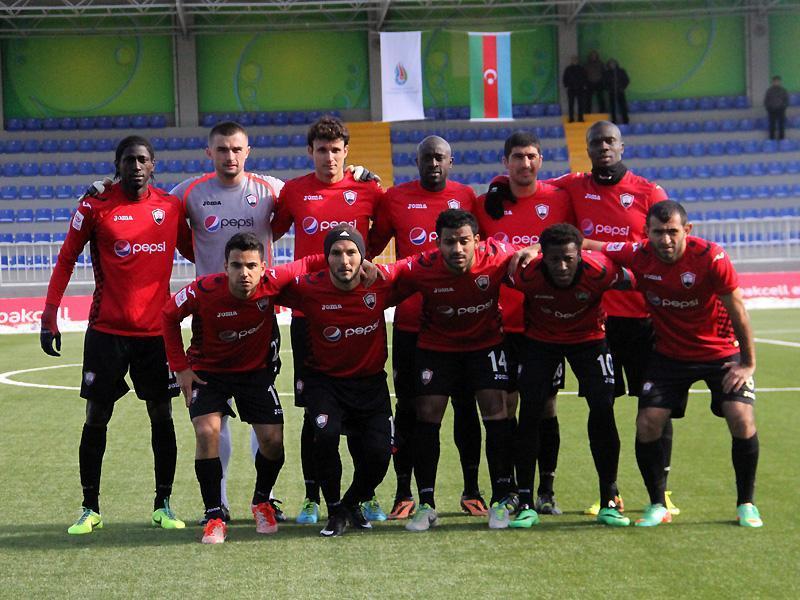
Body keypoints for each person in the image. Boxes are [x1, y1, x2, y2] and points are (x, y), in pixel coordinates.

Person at [40, 136, 194, 535]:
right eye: (129, 160)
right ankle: (89, 507)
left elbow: (199, 250)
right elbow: (66, 258)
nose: (136, 166)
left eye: (142, 159)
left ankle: (163, 504)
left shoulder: (170, 207)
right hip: (106, 331)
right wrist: (49, 314)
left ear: (153, 165)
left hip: (156, 333)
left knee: (162, 414)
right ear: (118, 165)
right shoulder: (94, 206)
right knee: (97, 415)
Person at [596, 200, 762, 528]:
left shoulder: (711, 258)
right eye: (658, 232)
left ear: (687, 230)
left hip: (720, 353)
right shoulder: (638, 254)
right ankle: (657, 504)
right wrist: (536, 248)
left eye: (673, 231)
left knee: (741, 418)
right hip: (669, 355)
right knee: (648, 422)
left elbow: (738, 310)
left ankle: (746, 503)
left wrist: (747, 363)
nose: (666, 239)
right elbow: (591, 245)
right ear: (646, 233)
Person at [161, 233, 329, 543]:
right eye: (237, 265)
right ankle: (214, 515)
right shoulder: (202, 290)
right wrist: (180, 367)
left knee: (273, 441)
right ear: (225, 267)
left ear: (264, 267)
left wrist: (359, 261)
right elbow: (168, 315)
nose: (244, 273)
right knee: (207, 432)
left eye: (251, 265)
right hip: (208, 373)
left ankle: (261, 501)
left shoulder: (273, 282)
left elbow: (310, 262)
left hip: (254, 374)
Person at [549, 120, 679, 517]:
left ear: (621, 147)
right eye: (596, 142)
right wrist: (500, 184)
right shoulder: (574, 185)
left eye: (610, 141)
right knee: (601, 407)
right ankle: (609, 492)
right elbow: (530, 183)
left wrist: (599, 244)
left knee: (654, 408)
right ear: (587, 149)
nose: (603, 147)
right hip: (599, 321)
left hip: (644, 318)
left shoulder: (649, 192)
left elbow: (663, 243)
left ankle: (661, 492)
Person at [271, 115, 386, 524]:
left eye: (336, 150)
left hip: (357, 311)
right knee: (313, 412)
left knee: (360, 413)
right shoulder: (294, 191)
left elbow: (380, 235)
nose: (329, 157)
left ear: (346, 151)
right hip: (310, 313)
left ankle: (364, 494)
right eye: (322, 150)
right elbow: (271, 231)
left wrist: (363, 266)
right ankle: (311, 497)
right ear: (310, 152)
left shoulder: (368, 188)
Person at [392, 209, 537, 531]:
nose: (457, 249)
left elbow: (540, 249)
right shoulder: (423, 265)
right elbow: (387, 273)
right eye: (449, 242)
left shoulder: (498, 255)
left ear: (477, 241)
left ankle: (500, 499)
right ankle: (426, 504)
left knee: (496, 410)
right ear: (438, 243)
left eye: (463, 241)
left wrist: (533, 249)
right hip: (437, 346)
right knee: (427, 415)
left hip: (486, 345)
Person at [170, 120, 284, 524]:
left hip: (258, 317)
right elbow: (159, 217)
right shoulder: (188, 192)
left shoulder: (270, 189)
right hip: (210, 317)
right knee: (213, 422)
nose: (230, 156)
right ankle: (216, 502)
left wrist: (357, 173)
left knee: (261, 414)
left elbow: (314, 195)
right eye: (222, 149)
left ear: (247, 151)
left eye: (237, 149)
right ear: (209, 153)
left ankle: (266, 497)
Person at [367, 135, 487, 520]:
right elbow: (368, 248)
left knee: (466, 406)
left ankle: (472, 490)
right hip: (411, 325)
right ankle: (404, 491)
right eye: (427, 158)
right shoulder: (395, 199)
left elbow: (482, 249)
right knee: (409, 409)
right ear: (416, 162)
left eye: (439, 158)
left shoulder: (467, 197)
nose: (433, 164)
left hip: (460, 323)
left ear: (451, 162)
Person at [275, 226, 401, 537]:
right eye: (335, 253)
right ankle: (333, 510)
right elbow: (268, 285)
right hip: (325, 382)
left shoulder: (381, 285)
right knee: (325, 435)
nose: (344, 260)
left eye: (351, 253)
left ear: (363, 257)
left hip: (371, 384)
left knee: (381, 453)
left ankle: (350, 503)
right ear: (326, 258)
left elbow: (418, 271)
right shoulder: (309, 287)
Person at [474, 130, 574, 515]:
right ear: (506, 162)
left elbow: (575, 242)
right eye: (517, 157)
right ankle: (511, 489)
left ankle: (546, 490)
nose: (525, 163)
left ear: (541, 160)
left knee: (545, 406)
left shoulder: (560, 199)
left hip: (544, 326)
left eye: (531, 156)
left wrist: (536, 248)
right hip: (500, 324)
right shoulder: (485, 205)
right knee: (505, 406)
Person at [507, 223, 632, 528]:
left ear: (580, 255)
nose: (562, 266)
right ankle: (526, 502)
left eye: (568, 259)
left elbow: (638, 279)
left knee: (603, 409)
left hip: (589, 341)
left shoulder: (601, 270)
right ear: (543, 257)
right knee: (530, 413)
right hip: (540, 342)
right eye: (554, 259)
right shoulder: (526, 274)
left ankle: (609, 500)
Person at [604, 59, 630, 125]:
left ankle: (625, 120)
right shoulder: (607, 73)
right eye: (610, 64)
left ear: (616, 64)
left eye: (613, 63)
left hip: (620, 91)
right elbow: (604, 82)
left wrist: (622, 87)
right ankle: (614, 120)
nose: (612, 65)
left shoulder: (621, 71)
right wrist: (608, 89)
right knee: (612, 107)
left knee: (623, 106)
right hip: (611, 92)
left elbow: (626, 80)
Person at [764, 75, 789, 141]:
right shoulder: (769, 91)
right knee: (772, 125)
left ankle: (782, 139)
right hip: (771, 110)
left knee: (781, 125)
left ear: (780, 82)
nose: (776, 82)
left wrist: (783, 107)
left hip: (781, 110)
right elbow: (766, 100)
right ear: (772, 82)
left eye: (778, 81)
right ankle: (772, 139)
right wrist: (768, 108)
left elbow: (786, 100)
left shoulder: (783, 90)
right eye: (775, 81)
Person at [562, 56, 587, 123]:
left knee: (580, 104)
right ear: (571, 61)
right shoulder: (568, 69)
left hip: (580, 88)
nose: (575, 61)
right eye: (573, 60)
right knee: (571, 104)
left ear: (578, 61)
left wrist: (584, 85)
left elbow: (585, 77)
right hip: (571, 88)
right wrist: (566, 85)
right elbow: (565, 77)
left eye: (576, 60)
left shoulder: (582, 68)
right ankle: (571, 118)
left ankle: (580, 118)